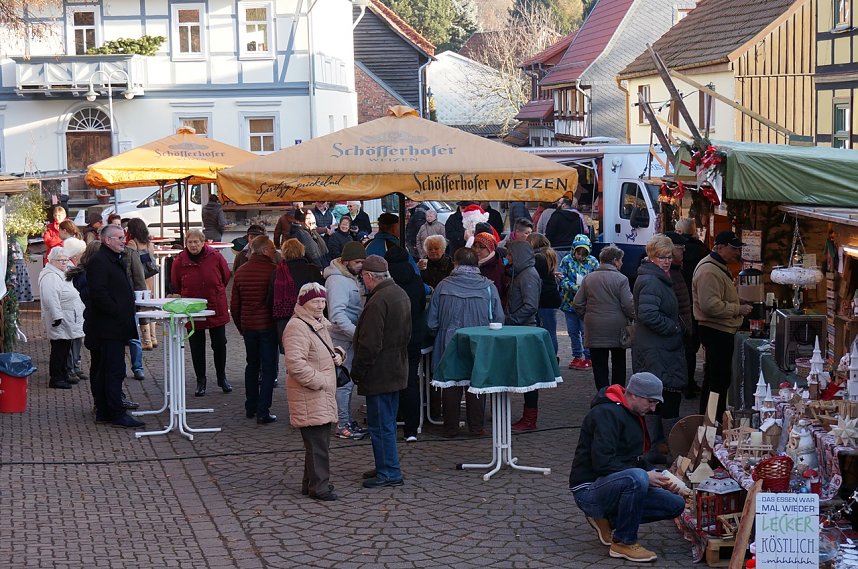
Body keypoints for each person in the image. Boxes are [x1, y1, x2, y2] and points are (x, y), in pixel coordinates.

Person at [569, 372, 685, 563]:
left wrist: (660, 475)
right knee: (637, 478)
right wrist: (646, 475)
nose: (653, 408)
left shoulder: (631, 412)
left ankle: (608, 520)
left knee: (676, 504)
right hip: (588, 489)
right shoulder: (606, 414)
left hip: (611, 483)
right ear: (634, 395)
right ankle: (623, 542)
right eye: (651, 402)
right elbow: (603, 463)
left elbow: (633, 459)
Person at [429, 247, 504, 438]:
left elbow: (432, 322)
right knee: (476, 382)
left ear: (455, 263)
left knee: (450, 383)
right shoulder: (488, 287)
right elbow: (499, 318)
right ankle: (476, 427)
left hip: (449, 341)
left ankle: (450, 428)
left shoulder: (443, 286)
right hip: (479, 342)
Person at [351, 255, 411, 488]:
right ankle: (385, 465)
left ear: (369, 276)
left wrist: (358, 372)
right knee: (386, 422)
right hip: (395, 367)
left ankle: (389, 471)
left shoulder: (378, 301)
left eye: (363, 278)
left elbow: (369, 344)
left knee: (381, 424)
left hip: (380, 372)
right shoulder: (399, 293)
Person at [283, 283, 342, 501]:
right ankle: (319, 487)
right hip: (310, 394)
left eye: (323, 301)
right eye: (315, 301)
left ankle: (311, 483)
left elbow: (323, 351)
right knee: (318, 445)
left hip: (319, 394)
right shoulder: (297, 327)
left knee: (318, 443)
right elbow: (295, 364)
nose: (320, 306)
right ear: (303, 302)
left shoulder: (318, 323)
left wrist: (338, 354)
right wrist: (322, 381)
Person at [86, 224, 145, 428]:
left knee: (109, 369)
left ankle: (105, 411)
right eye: (119, 237)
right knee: (113, 370)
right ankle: (115, 412)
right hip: (109, 327)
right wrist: (117, 311)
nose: (123, 241)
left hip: (114, 325)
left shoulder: (113, 258)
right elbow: (99, 293)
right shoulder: (100, 261)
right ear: (107, 240)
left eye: (123, 237)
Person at [634, 235, 686, 449]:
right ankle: (664, 445)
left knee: (659, 395)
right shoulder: (651, 280)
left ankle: (657, 445)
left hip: (658, 347)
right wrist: (673, 327)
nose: (666, 261)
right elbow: (648, 314)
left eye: (669, 257)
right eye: (662, 257)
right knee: (664, 396)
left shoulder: (657, 277)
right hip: (657, 348)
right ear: (651, 256)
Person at [693, 231, 751, 420]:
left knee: (715, 379)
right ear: (720, 247)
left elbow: (716, 298)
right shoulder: (709, 271)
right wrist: (738, 309)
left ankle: (710, 420)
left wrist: (736, 299)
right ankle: (712, 421)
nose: (737, 252)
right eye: (733, 248)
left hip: (719, 329)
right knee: (717, 380)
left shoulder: (717, 267)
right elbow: (710, 305)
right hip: (716, 330)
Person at [171, 228, 232, 397]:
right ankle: (201, 380)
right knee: (197, 346)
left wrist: (216, 289)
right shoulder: (180, 260)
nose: (193, 245)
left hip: (215, 305)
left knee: (219, 344)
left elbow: (226, 276)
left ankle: (221, 377)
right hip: (192, 307)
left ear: (202, 242)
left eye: (196, 242)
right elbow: (175, 283)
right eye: (190, 242)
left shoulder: (215, 256)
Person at [572, 245, 635, 390]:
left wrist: (586, 316)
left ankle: (602, 394)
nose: (622, 263)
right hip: (617, 327)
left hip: (594, 326)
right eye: (621, 260)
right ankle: (617, 393)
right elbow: (628, 304)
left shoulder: (588, 278)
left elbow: (577, 303)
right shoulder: (622, 279)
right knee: (619, 363)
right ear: (615, 260)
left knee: (599, 365)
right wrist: (632, 318)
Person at [323, 241, 368, 440]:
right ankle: (342, 424)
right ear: (345, 261)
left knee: (346, 383)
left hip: (347, 338)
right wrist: (358, 335)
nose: (361, 266)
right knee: (343, 383)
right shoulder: (337, 281)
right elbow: (337, 316)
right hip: (342, 340)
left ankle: (346, 420)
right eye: (358, 262)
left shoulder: (350, 278)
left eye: (363, 262)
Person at [232, 236, 279, 424]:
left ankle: (250, 406)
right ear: (265, 250)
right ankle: (263, 410)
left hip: (248, 326)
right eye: (272, 249)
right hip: (268, 326)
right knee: (268, 369)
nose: (274, 252)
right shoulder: (274, 271)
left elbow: (235, 305)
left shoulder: (241, 272)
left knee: (251, 365)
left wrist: (241, 326)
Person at [385, 245, 426, 442]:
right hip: (413, 336)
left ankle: (390, 423)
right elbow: (421, 306)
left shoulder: (386, 284)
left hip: (391, 339)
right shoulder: (416, 281)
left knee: (389, 381)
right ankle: (411, 429)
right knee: (410, 381)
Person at [39, 247, 84, 389]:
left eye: (66, 259)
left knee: (64, 348)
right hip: (60, 318)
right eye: (61, 260)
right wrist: (57, 316)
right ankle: (57, 378)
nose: (65, 262)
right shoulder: (51, 276)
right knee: (59, 349)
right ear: (52, 261)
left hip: (67, 316)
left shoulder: (60, 272)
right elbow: (50, 298)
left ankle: (63, 374)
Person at [676, 217, 710, 398]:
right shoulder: (703, 251)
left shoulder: (677, 254)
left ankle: (685, 382)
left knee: (684, 347)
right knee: (692, 346)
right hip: (698, 304)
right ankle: (690, 382)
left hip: (683, 303)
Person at [273, 238, 325, 347]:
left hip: (285, 321)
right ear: (302, 251)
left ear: (284, 252)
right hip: (310, 317)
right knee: (312, 348)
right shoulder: (312, 270)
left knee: (291, 351)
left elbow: (271, 299)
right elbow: (322, 294)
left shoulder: (277, 272)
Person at [559, 234, 599, 370]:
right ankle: (577, 356)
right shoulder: (566, 260)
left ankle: (588, 357)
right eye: (578, 253)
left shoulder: (593, 262)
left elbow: (596, 280)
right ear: (574, 250)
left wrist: (585, 289)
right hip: (569, 303)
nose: (581, 256)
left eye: (584, 253)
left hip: (586, 304)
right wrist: (575, 287)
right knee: (572, 331)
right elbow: (562, 278)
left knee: (585, 331)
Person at [125, 218, 158, 350]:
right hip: (150, 278)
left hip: (139, 278)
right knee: (149, 307)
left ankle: (146, 340)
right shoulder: (149, 243)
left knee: (141, 308)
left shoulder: (133, 243)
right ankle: (153, 338)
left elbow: (130, 260)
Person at [62, 237, 88, 383]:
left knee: (77, 338)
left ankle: (75, 366)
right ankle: (71, 368)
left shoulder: (75, 267)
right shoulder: (69, 268)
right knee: (71, 338)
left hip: (78, 307)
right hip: (71, 308)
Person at [473, 232, 508, 301]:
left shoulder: (498, 268)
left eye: (481, 247)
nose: (477, 250)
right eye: (475, 246)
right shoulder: (471, 263)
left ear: (490, 249)